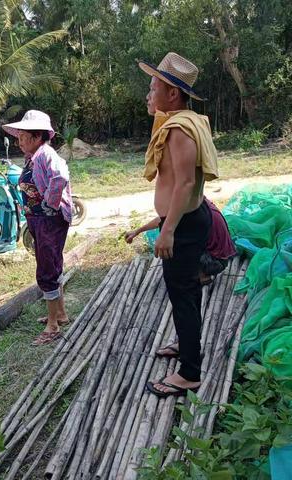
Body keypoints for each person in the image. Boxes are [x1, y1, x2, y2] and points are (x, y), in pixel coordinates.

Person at [136, 53, 220, 398]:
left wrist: (167, 230)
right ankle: (187, 347)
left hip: (183, 225)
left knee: (182, 295)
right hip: (185, 221)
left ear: (172, 94)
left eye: (153, 87)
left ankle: (189, 374)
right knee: (184, 293)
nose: (148, 94)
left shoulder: (179, 130)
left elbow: (185, 185)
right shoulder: (184, 122)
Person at [3, 110, 73, 346]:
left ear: (35, 137)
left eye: (23, 136)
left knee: (47, 270)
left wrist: (48, 203)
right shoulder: (33, 156)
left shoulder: (46, 155)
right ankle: (60, 314)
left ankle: (52, 325)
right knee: (52, 264)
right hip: (39, 220)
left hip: (48, 221)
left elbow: (60, 177)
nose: (19, 141)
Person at [125, 197, 236, 287]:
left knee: (175, 241)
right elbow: (164, 219)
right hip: (220, 258)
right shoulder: (199, 203)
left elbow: (163, 221)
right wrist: (137, 231)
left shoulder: (192, 211)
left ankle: (202, 275)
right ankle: (199, 273)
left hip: (215, 261)